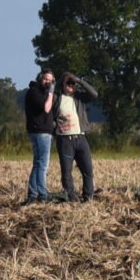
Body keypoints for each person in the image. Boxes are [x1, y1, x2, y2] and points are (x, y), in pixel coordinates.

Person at [52, 72, 97, 202]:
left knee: (87, 170)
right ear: (63, 84)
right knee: (66, 172)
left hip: (80, 138)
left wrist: (80, 81)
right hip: (64, 139)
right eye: (68, 83)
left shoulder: (79, 98)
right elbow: (49, 114)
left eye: (73, 83)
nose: (71, 85)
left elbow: (94, 94)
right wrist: (54, 126)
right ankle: (71, 197)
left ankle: (88, 196)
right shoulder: (57, 98)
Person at [21, 68, 60, 203]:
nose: (48, 82)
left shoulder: (42, 93)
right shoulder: (34, 92)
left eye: (50, 81)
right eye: (45, 79)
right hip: (40, 132)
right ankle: (42, 194)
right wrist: (50, 93)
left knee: (38, 164)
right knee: (43, 164)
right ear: (40, 78)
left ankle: (32, 194)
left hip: (44, 132)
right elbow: (46, 108)